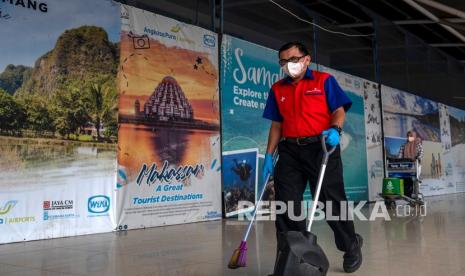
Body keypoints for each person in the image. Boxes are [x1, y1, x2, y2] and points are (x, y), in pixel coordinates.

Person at [262, 41, 363, 273]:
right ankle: (291, 262)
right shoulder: (278, 89)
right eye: (284, 62)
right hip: (289, 150)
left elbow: (338, 110)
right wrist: (269, 155)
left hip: (322, 147)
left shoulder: (324, 81)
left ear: (306, 59)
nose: (289, 65)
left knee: (331, 201)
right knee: (286, 207)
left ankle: (351, 244)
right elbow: (277, 125)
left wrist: (336, 131)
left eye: (293, 60)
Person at [397, 130, 423, 197]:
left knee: (416, 179)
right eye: (408, 136)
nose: (409, 137)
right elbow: (400, 155)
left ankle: (417, 193)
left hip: (416, 164)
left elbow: (421, 153)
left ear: (414, 136)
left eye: (411, 136)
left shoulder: (418, 144)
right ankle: (408, 194)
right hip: (406, 165)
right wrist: (398, 161)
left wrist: (418, 158)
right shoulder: (404, 145)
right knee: (407, 179)